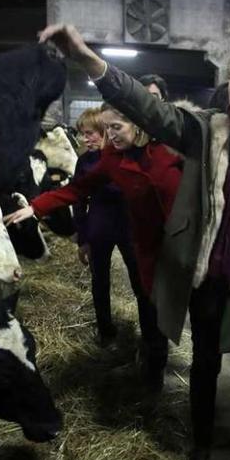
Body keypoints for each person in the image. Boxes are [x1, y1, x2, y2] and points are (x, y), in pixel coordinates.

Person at [39, 24, 230, 460]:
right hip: (208, 275)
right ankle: (201, 441)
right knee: (205, 362)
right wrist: (89, 59)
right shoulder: (205, 129)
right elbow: (147, 109)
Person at [6, 102, 181, 392]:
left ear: (137, 126)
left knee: (152, 300)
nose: (109, 135)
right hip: (136, 239)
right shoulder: (110, 158)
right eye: (107, 127)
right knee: (146, 299)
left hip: (167, 242)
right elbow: (78, 189)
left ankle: (155, 362)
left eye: (116, 127)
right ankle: (151, 370)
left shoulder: (165, 153)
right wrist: (36, 207)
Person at [70, 107, 146, 348]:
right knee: (99, 282)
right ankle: (106, 332)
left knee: (140, 282)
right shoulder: (84, 161)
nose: (85, 139)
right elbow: (78, 201)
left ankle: (148, 331)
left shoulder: (126, 157)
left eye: (90, 133)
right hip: (98, 228)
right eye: (83, 134)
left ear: (104, 133)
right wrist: (82, 239)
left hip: (129, 227)